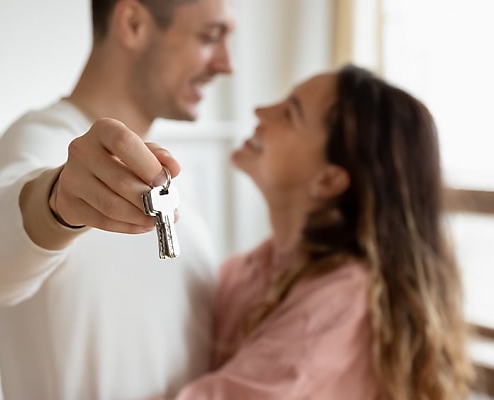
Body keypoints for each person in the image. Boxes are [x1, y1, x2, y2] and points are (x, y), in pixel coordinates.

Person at [0, 0, 234, 398]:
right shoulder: (41, 140)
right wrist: (55, 206)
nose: (226, 64)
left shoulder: (172, 172)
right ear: (132, 24)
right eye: (210, 36)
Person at [147, 65, 476, 399]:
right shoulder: (248, 269)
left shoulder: (345, 296)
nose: (259, 111)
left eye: (289, 113)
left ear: (328, 180)